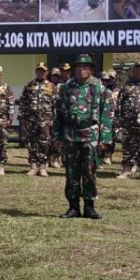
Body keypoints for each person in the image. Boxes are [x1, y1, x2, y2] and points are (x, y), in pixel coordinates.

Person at [53, 54, 111, 219]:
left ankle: (89, 206)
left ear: (91, 69)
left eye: (85, 67)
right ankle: (73, 207)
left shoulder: (99, 89)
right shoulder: (65, 88)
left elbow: (106, 114)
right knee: (71, 172)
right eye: (78, 67)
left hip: (90, 135)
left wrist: (104, 139)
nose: (82, 69)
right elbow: (58, 115)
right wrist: (57, 137)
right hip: (71, 135)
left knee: (89, 172)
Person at [20, 63, 56, 177]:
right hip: (31, 119)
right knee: (32, 143)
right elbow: (23, 102)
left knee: (44, 143)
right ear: (36, 71)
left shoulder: (51, 86)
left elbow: (56, 104)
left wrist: (53, 119)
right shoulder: (29, 85)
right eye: (39, 70)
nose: (41, 72)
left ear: (47, 72)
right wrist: (23, 116)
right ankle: (33, 166)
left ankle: (43, 166)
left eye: (43, 71)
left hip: (45, 119)